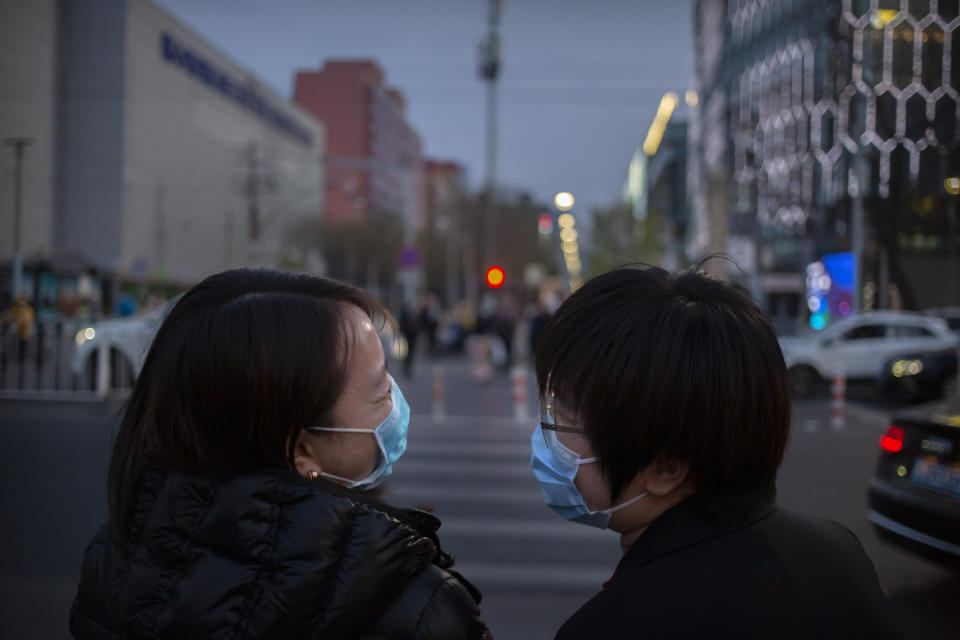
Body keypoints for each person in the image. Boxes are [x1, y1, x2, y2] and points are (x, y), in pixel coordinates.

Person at [70, 269, 489, 639]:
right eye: (381, 389)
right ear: (302, 450)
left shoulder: (113, 565)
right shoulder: (422, 611)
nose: (395, 401)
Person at [529, 266, 901, 639]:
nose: (545, 436)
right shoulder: (838, 553)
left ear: (665, 467)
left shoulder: (613, 626)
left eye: (561, 419)